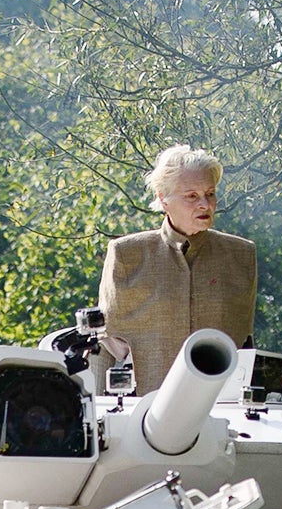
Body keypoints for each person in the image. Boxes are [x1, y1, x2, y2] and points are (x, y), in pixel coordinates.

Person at [97, 145, 257, 393]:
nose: (205, 204)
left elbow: (244, 344)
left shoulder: (240, 255)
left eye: (210, 193)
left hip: (220, 407)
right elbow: (106, 345)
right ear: (163, 198)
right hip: (144, 407)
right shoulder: (127, 254)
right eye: (192, 196)